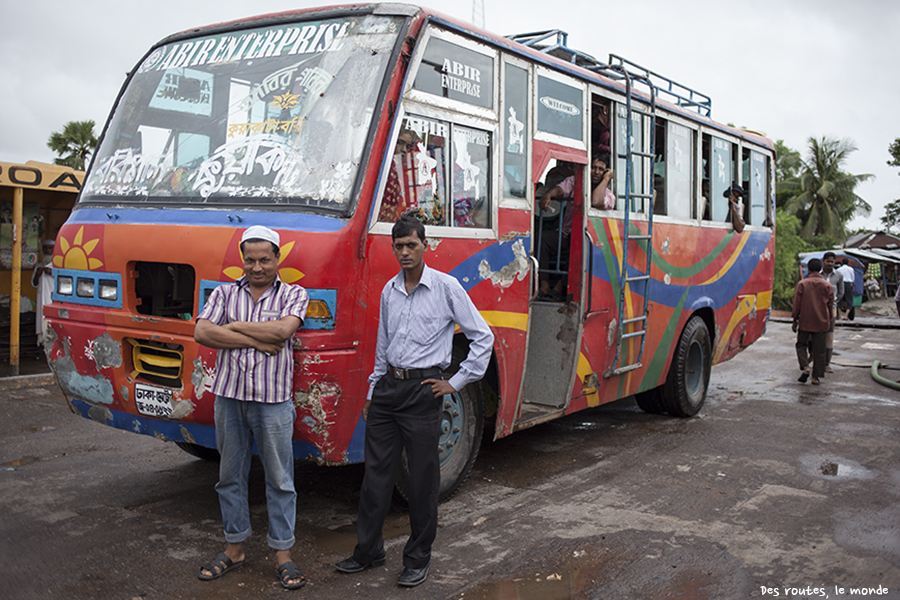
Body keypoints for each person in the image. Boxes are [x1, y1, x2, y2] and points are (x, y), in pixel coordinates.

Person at [336, 215, 493, 587]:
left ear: (425, 246)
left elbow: (482, 337)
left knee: (423, 479)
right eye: (399, 246)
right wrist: (374, 392)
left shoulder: (446, 287)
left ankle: (418, 557)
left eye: (412, 245)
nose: (405, 252)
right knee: (376, 476)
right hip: (390, 388)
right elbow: (383, 349)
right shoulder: (389, 291)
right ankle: (369, 551)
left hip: (425, 390)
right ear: (392, 248)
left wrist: (454, 383)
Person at [194, 225, 309, 590]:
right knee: (229, 476)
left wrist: (237, 327)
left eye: (264, 259)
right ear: (241, 260)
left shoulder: (294, 294)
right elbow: (202, 333)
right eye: (250, 260)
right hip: (229, 397)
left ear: (277, 259)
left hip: (273, 402)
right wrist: (257, 340)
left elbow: (282, 332)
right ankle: (235, 548)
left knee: (279, 479)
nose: (257, 267)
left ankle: (283, 555)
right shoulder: (224, 292)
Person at [537, 155, 614, 300]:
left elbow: (595, 200)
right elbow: (559, 189)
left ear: (606, 172)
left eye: (601, 170)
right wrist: (548, 195)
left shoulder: (609, 195)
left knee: (577, 240)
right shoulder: (575, 181)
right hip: (566, 234)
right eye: (593, 168)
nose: (596, 172)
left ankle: (559, 287)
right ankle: (544, 285)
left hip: (590, 242)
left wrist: (606, 179)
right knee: (544, 238)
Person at [792, 257, 834, 385]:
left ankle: (805, 366)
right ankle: (816, 377)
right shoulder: (827, 285)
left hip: (805, 321)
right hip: (821, 322)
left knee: (801, 345)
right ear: (820, 268)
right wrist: (829, 320)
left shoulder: (802, 284)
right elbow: (830, 305)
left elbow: (796, 304)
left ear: (808, 269)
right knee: (819, 350)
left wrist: (795, 320)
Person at [378, 129, 418, 222]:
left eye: (408, 147)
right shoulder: (381, 164)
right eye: (399, 143)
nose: (404, 150)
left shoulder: (403, 169)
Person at [820, 252, 843, 372]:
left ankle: (826, 363)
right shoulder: (817, 275)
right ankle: (815, 359)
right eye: (828, 261)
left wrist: (834, 303)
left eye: (832, 262)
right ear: (823, 261)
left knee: (829, 336)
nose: (830, 264)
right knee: (816, 336)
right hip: (818, 310)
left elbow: (840, 292)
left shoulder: (838, 276)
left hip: (831, 310)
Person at [31, 239, 55, 348]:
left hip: (52, 300)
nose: (47, 250)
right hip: (41, 300)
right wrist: (38, 273)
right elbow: (34, 283)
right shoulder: (39, 265)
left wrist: (52, 273)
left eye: (50, 248)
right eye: (45, 248)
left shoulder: (57, 265)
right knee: (41, 323)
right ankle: (42, 346)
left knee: (51, 325)